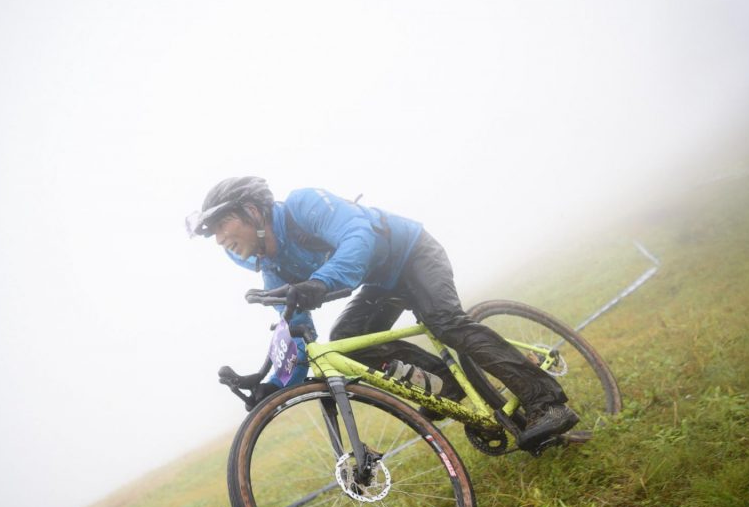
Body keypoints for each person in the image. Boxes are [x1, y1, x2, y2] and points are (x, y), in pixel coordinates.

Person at [186, 176, 579, 451]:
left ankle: (546, 402)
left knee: (444, 322)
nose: (220, 239)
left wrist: (320, 283)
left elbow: (358, 234)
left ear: (253, 211)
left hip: (412, 253)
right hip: (381, 283)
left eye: (223, 224)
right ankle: (448, 385)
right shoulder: (273, 269)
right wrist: (274, 386)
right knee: (346, 349)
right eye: (213, 234)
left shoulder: (304, 206)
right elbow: (298, 336)